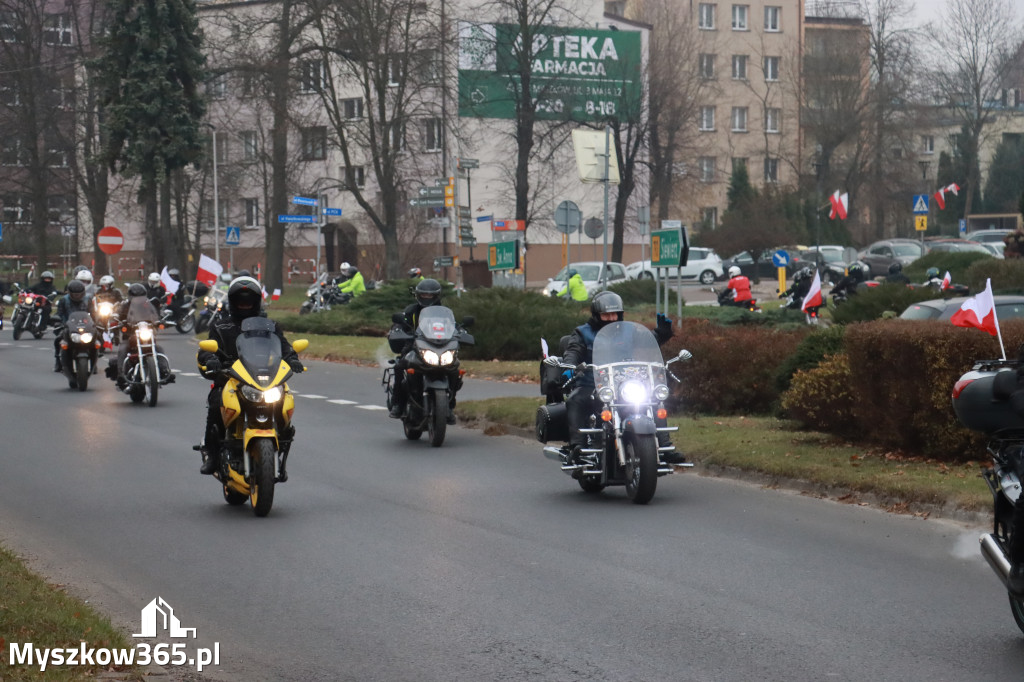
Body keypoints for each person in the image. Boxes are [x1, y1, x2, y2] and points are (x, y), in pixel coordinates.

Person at [560, 291, 685, 465]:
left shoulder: (629, 331)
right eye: (606, 315)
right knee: (575, 400)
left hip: (625, 383)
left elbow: (648, 341)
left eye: (614, 314)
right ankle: (578, 448)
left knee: (654, 399)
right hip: (594, 384)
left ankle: (664, 447)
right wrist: (570, 367)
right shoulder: (583, 333)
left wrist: (662, 333)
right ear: (596, 315)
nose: (611, 318)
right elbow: (573, 351)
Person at [197, 276, 303, 475]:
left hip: (264, 377)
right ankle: (211, 452)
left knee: (284, 401)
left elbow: (284, 345)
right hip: (231, 377)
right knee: (216, 401)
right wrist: (211, 359)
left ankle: (281, 442)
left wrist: (292, 358)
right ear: (232, 301)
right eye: (240, 300)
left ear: (257, 301)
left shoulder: (269, 326)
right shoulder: (221, 326)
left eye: (249, 300)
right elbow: (208, 348)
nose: (244, 304)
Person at [387, 278, 461, 423]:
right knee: (400, 366)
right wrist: (398, 330)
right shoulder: (411, 311)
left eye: (430, 295)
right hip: (415, 345)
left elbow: (454, 326)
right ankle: (398, 404)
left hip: (440, 346)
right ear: (418, 295)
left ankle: (449, 406)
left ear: (436, 296)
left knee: (454, 370)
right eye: (424, 295)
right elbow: (400, 323)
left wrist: (461, 331)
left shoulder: (444, 312)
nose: (426, 298)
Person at [52, 279, 91, 371]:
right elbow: (59, 313)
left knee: (97, 338)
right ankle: (58, 360)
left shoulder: (88, 300)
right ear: (69, 292)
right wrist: (57, 320)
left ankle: (95, 358)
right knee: (58, 340)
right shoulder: (63, 300)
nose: (77, 295)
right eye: (74, 293)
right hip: (68, 327)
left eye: (79, 293)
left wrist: (98, 321)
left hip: (85, 326)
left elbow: (93, 313)